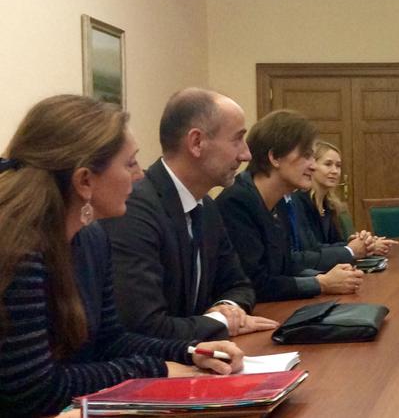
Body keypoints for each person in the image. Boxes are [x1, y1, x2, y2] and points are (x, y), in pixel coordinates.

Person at [0, 95, 243, 418]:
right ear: (85, 181)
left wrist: (190, 352)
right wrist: (156, 369)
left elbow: (111, 341)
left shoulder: (92, 238)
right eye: (130, 164)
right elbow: (34, 391)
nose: (140, 175)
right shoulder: (19, 250)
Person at [102, 89, 278, 340]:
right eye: (237, 139)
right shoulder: (134, 210)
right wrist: (220, 322)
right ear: (196, 143)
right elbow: (143, 325)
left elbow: (239, 284)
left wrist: (228, 308)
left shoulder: (206, 207)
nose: (246, 154)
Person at [218, 110, 364, 302]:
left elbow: (287, 265)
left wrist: (330, 277)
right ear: (274, 157)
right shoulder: (236, 203)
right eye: (306, 155)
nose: (313, 166)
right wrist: (321, 283)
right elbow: (255, 284)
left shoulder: (279, 202)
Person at [292, 140, 396, 259]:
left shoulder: (330, 205)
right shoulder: (298, 202)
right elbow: (311, 249)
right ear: (312, 166)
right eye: (328, 164)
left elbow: (332, 244)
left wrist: (362, 243)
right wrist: (355, 247)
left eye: (338, 166)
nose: (335, 171)